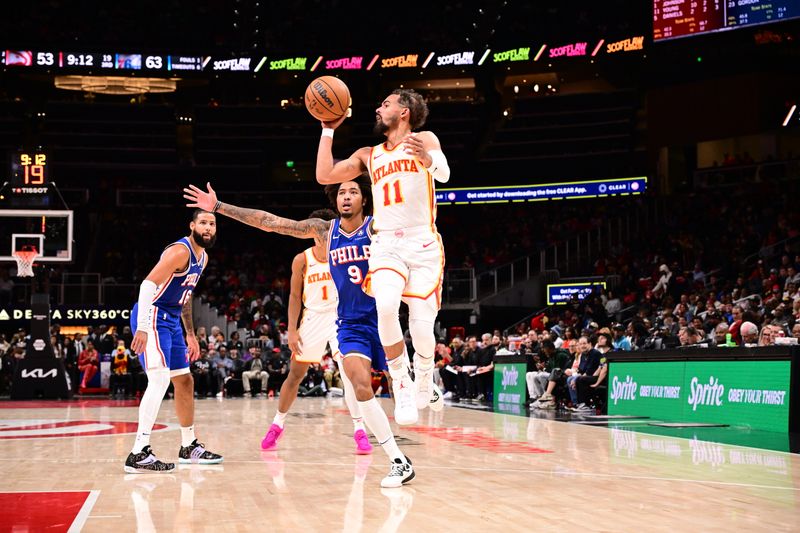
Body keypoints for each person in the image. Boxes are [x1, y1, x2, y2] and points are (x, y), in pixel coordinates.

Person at [184, 177, 416, 487]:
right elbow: (270, 222)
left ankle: (421, 376)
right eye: (342, 192)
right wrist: (219, 207)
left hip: (382, 316)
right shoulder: (324, 232)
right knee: (360, 385)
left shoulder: (377, 227)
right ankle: (398, 459)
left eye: (353, 192)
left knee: (401, 384)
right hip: (349, 324)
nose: (346, 197)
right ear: (335, 201)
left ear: (364, 199)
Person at [315, 88, 449, 424]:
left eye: (385, 103)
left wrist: (429, 159)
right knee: (385, 306)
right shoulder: (368, 154)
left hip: (422, 242)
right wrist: (327, 129)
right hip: (387, 243)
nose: (378, 107)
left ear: (404, 111)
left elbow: (444, 173)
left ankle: (424, 373)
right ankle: (401, 382)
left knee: (421, 328)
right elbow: (324, 175)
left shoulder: (424, 138)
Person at [258, 208, 372, 454]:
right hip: (313, 318)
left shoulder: (342, 252)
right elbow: (295, 296)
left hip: (341, 317)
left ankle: (359, 429)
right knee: (295, 375)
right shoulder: (302, 259)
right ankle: (278, 423)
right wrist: (291, 329)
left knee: (350, 374)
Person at [125, 209, 223, 474]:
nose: (208, 227)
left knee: (184, 380)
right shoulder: (180, 252)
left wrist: (190, 333)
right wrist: (143, 327)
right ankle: (138, 452)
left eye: (212, 224)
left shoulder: (202, 258)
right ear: (192, 225)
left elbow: (186, 295)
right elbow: (147, 285)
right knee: (159, 379)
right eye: (203, 222)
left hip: (171, 319)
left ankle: (188, 446)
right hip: (153, 315)